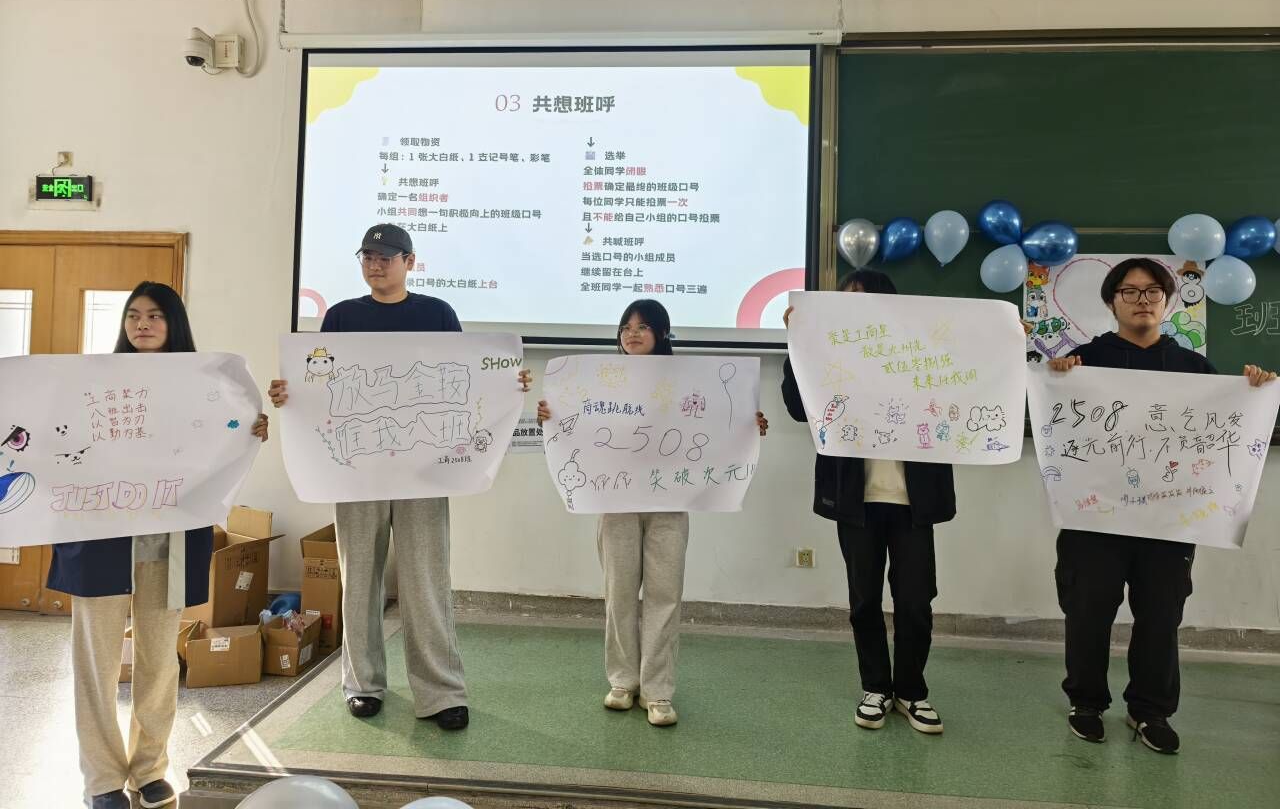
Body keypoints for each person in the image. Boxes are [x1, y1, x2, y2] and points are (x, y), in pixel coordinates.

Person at [269, 223, 529, 730]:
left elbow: (465, 379)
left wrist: (507, 382)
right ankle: (362, 684)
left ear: (409, 262)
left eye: (386, 257)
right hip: (355, 472)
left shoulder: (436, 314)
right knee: (358, 579)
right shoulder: (341, 316)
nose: (375, 264)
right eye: (368, 256)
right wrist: (289, 392)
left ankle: (441, 692)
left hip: (422, 473)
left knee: (426, 580)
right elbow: (321, 384)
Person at [48, 283, 269, 809]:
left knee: (159, 661)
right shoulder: (92, 383)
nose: (141, 324)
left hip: (167, 539)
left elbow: (222, 434)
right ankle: (102, 780)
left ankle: (149, 770)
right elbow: (57, 439)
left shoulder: (202, 385)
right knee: (96, 664)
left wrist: (248, 429)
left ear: (174, 323)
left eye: (154, 315)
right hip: (100, 536)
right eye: (133, 315)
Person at [1048, 257, 1275, 755]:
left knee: (1160, 616)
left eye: (1153, 291)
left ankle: (1150, 711)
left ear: (1168, 302)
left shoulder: (1194, 368)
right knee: (1087, 611)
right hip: (1094, 518)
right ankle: (1086, 703)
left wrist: (1253, 391)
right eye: (1129, 292)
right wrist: (1056, 377)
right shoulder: (1082, 362)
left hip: (1168, 522)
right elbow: (1057, 425)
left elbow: (1222, 434)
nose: (1142, 300)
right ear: (1112, 302)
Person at [537, 299, 769, 726]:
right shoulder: (598, 383)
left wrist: (747, 424)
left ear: (661, 334)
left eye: (642, 326)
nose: (632, 333)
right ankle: (623, 681)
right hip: (615, 502)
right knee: (619, 593)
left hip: (670, 504)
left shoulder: (686, 382)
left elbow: (719, 421)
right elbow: (575, 425)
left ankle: (658, 690)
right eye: (626, 327)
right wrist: (550, 415)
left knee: (665, 595)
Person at [781, 269, 954, 735]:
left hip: (914, 500)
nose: (853, 308)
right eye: (846, 300)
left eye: (863, 298)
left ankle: (912, 691)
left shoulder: (921, 351)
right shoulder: (831, 353)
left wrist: (1001, 341)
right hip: (856, 498)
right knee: (864, 600)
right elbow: (798, 408)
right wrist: (798, 343)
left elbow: (968, 385)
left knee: (915, 600)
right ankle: (876, 687)